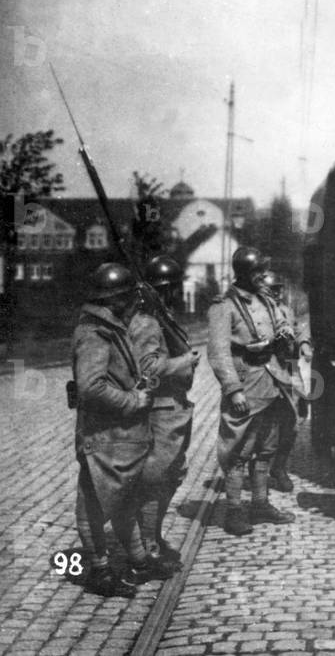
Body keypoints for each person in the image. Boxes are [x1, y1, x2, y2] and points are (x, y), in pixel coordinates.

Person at [72, 263, 170, 597]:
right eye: (130, 298)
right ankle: (99, 571)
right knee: (92, 504)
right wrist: (132, 400)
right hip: (100, 436)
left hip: (117, 435)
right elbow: (90, 387)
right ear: (116, 300)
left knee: (124, 499)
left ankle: (140, 561)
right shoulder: (94, 333)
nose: (134, 304)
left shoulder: (109, 327)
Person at [207, 247, 298, 536]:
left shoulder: (265, 298)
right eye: (257, 271)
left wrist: (285, 332)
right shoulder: (223, 306)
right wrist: (233, 390)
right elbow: (218, 353)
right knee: (238, 451)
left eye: (263, 270)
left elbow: (281, 321)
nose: (263, 276)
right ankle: (234, 511)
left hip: (273, 382)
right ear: (244, 273)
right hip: (246, 386)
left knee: (268, 447)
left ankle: (260, 504)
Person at [128, 256, 200, 570]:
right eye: (170, 288)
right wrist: (185, 362)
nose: (174, 293)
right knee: (154, 480)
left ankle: (153, 537)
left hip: (173, 408)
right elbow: (147, 370)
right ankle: (148, 547)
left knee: (172, 474)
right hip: (159, 411)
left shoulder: (161, 317)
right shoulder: (146, 323)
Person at [255, 270, 313, 493]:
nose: (277, 293)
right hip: (267, 371)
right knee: (263, 424)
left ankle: (279, 467)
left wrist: (304, 343)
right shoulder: (256, 313)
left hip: (289, 370)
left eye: (279, 289)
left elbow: (299, 330)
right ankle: (257, 470)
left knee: (292, 424)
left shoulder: (287, 311)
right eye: (272, 289)